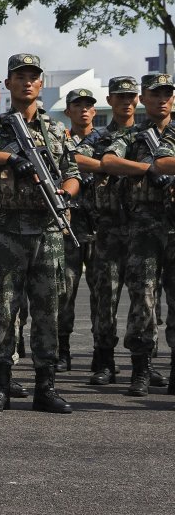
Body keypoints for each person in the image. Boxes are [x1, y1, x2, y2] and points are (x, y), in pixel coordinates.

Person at [0, 54, 80, 413]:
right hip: (8, 231)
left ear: (41, 83)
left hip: (48, 230)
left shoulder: (56, 130)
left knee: (48, 310)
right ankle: (0, 386)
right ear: (8, 85)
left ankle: (47, 386)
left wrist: (65, 192)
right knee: (4, 310)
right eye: (19, 76)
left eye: (33, 76)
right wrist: (9, 159)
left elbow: (72, 172)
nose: (27, 82)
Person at [97, 73, 175, 394]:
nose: (161, 99)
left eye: (167, 94)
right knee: (143, 297)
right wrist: (149, 169)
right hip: (144, 224)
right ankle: (141, 369)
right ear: (143, 98)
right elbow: (108, 161)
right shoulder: (136, 136)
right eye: (155, 94)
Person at [84, 76, 139, 384]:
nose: (126, 102)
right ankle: (104, 359)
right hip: (108, 226)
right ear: (110, 99)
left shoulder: (148, 135)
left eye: (131, 97)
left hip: (145, 225)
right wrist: (107, 166)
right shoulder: (100, 137)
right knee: (105, 296)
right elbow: (74, 157)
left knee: (145, 297)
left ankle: (142, 363)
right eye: (120, 97)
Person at [59, 89, 100, 374]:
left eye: (88, 106)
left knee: (103, 294)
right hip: (70, 225)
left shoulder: (107, 138)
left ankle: (102, 356)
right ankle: (62, 351)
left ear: (94, 111)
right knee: (64, 291)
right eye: (78, 105)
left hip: (102, 225)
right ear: (68, 111)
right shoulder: (60, 139)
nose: (84, 110)